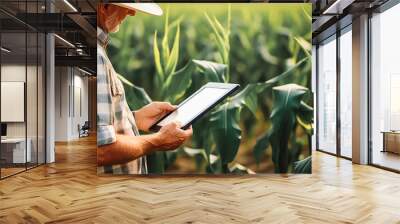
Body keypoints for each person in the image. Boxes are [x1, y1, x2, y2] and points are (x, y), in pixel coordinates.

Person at [97, 3, 192, 174]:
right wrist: (157, 141)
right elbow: (101, 149)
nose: (132, 12)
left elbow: (100, 129)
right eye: (126, 5)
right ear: (104, 7)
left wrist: (135, 119)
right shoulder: (97, 58)